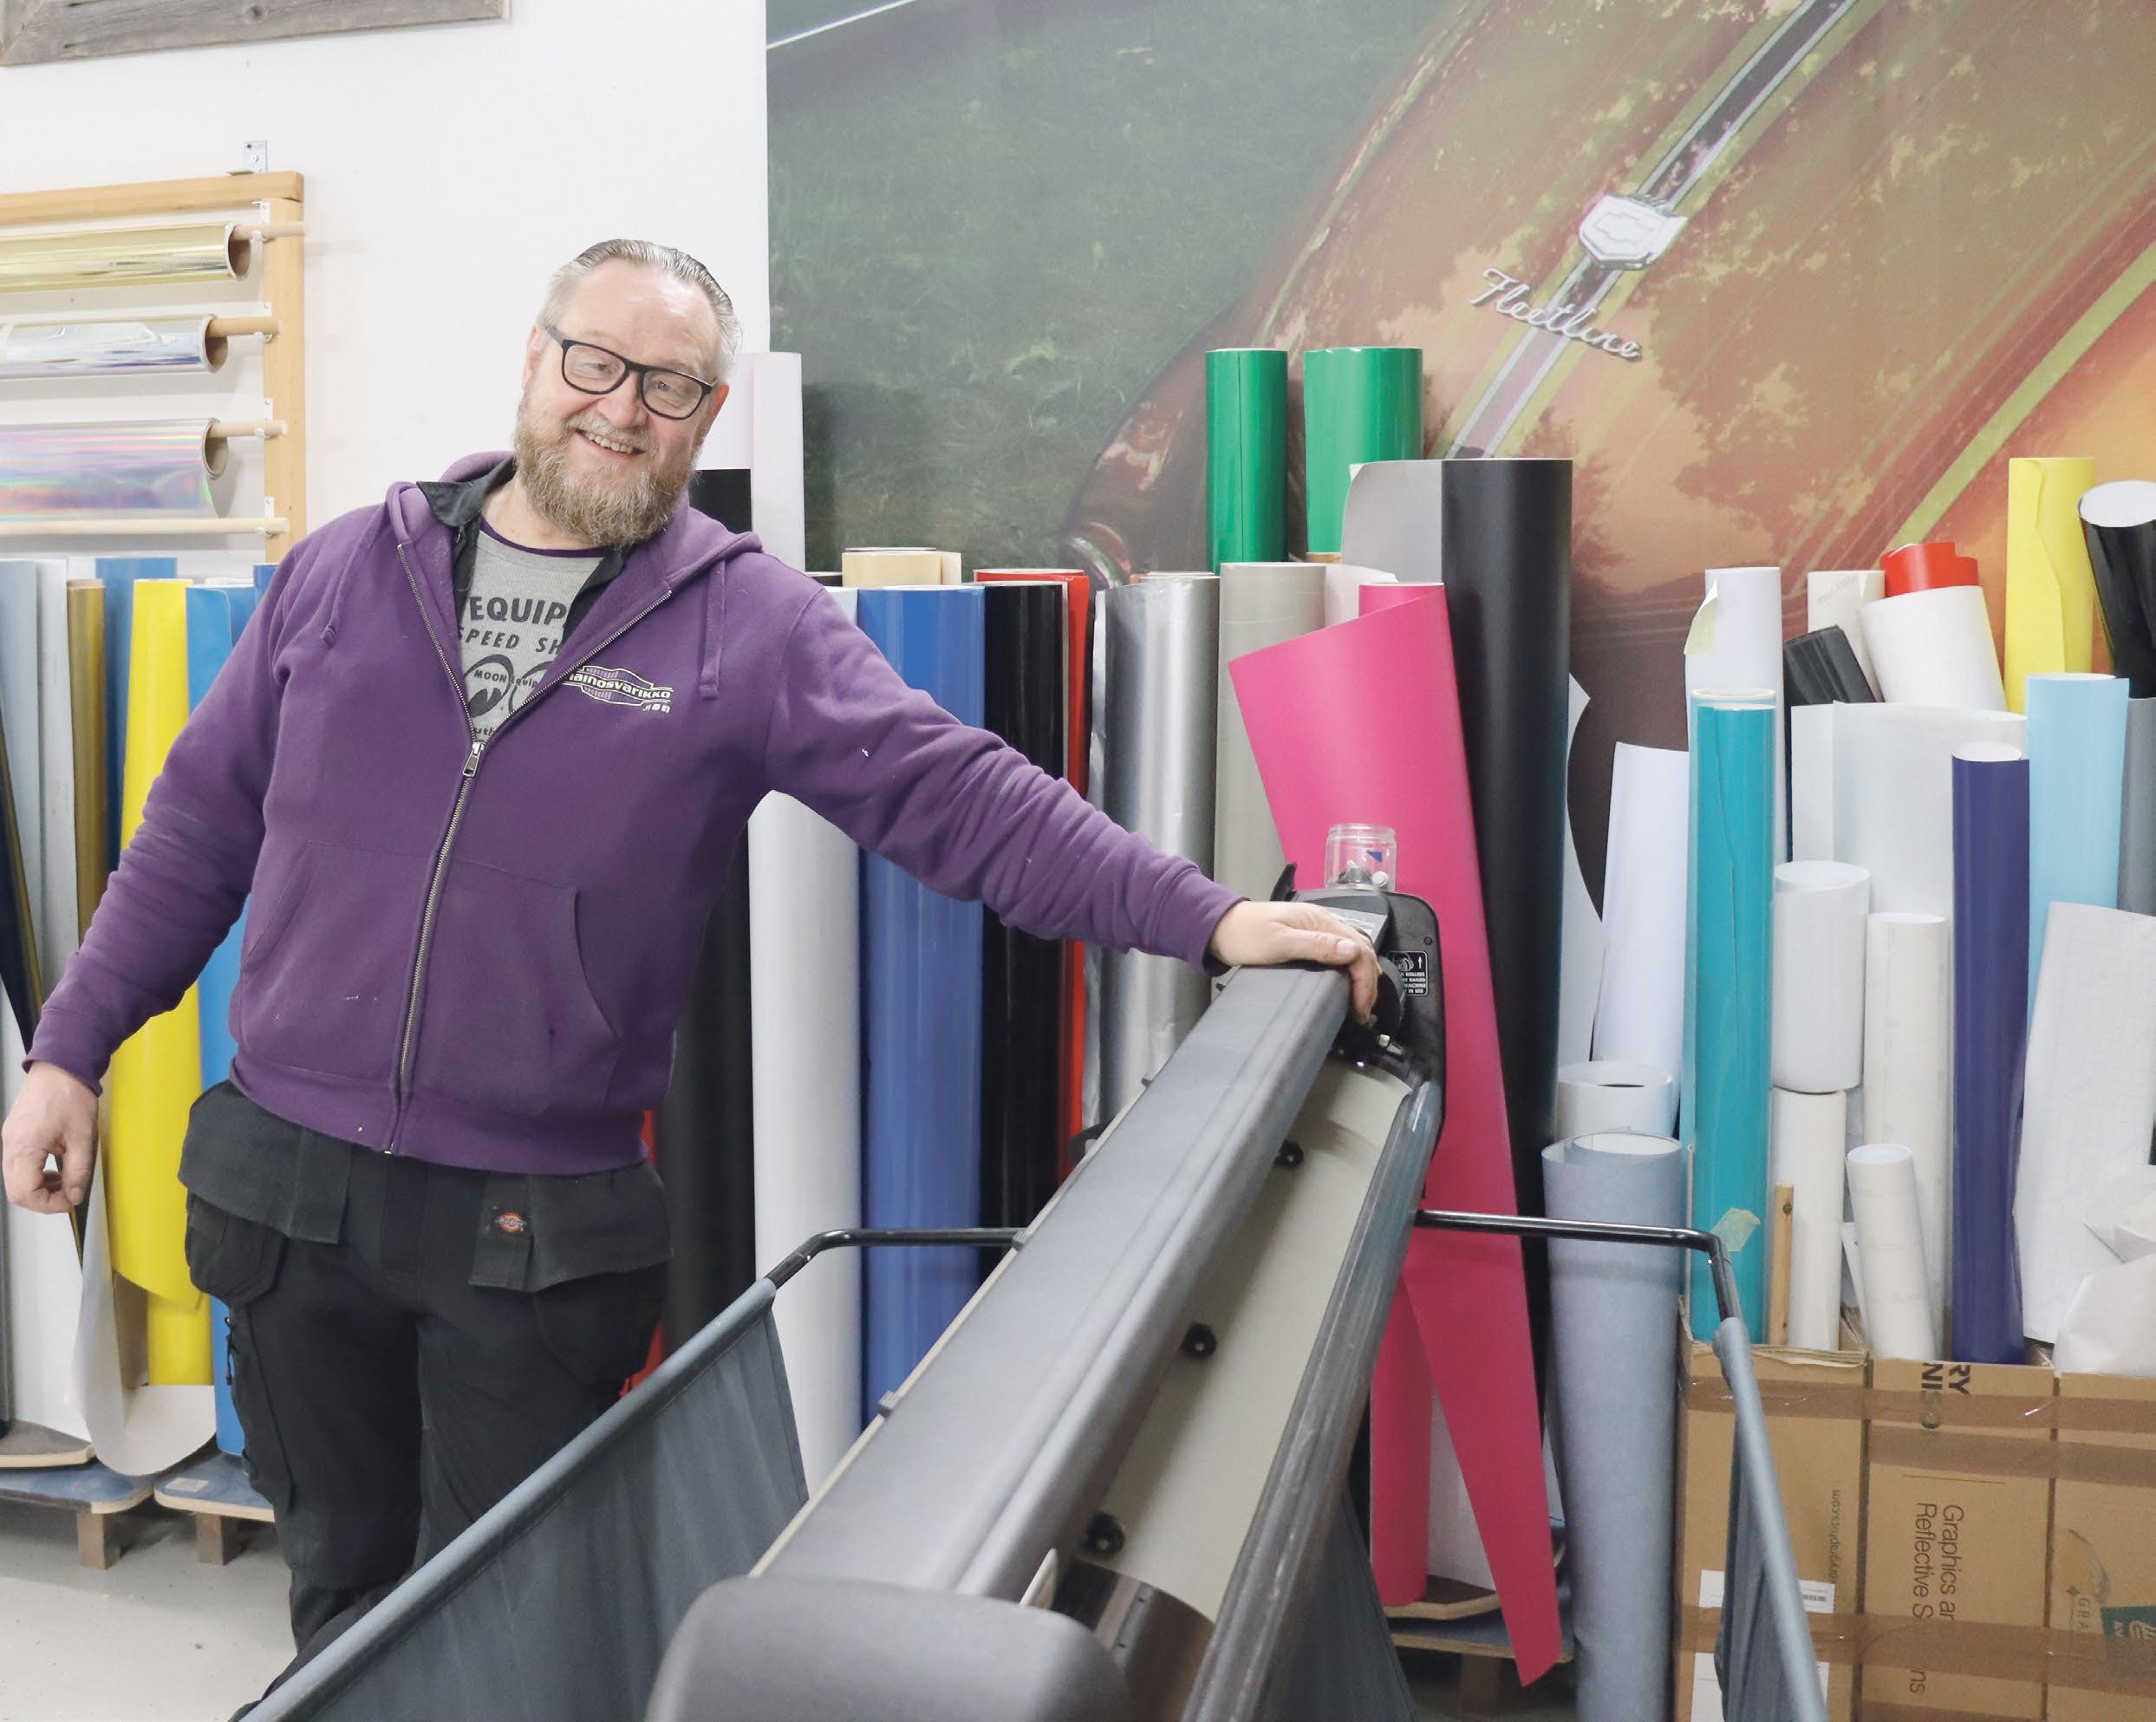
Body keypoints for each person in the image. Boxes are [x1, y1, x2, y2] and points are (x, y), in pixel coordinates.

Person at [1, 238, 1377, 1673]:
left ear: (708, 415)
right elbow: (194, 834)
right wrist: (67, 1053)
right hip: (291, 1200)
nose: (621, 407)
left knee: (515, 1640)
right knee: (339, 1597)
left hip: (526, 1238)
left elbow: (960, 798)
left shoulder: (747, 624)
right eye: (595, 362)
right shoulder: (349, 568)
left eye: (668, 385)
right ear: (536, 359)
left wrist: (1207, 914)